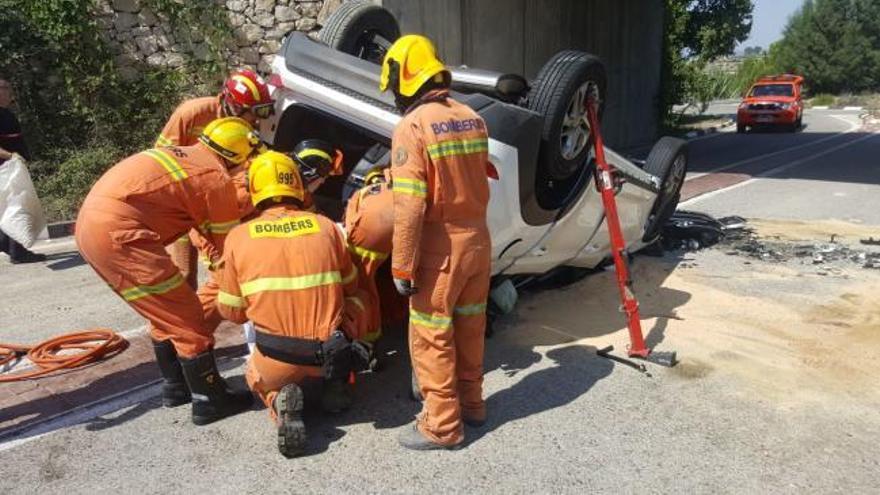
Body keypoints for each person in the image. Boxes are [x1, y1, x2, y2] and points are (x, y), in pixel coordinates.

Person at [76, 117, 259, 425]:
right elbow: (228, 250)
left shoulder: (188, 155)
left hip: (92, 228)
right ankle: (210, 400)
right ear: (237, 157)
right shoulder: (215, 179)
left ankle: (176, 386)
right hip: (120, 235)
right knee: (187, 315)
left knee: (166, 310)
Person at [379, 35, 492, 450]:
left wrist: (402, 266)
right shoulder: (472, 116)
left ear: (403, 78)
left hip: (441, 247)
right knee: (470, 324)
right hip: (478, 241)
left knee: (431, 333)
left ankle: (442, 426)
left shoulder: (412, 127)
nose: (393, 95)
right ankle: (473, 404)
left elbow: (410, 206)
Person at [216, 150, 368, 457]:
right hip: (330, 352)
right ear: (296, 185)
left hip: (276, 358)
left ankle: (277, 401)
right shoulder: (325, 227)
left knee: (255, 374)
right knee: (357, 300)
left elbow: (232, 312)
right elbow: (352, 284)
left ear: (255, 189)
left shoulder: (238, 237)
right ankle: (336, 384)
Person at [158, 70, 274, 290]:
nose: (257, 120)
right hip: (184, 202)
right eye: (254, 113)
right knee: (184, 274)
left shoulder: (248, 128)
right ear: (234, 106)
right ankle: (181, 321)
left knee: (228, 265)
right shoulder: (192, 114)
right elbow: (162, 159)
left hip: (221, 201)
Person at [343, 167, 394, 343]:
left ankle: (368, 337)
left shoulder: (362, 193)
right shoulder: (395, 186)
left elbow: (349, 224)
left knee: (364, 289)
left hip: (363, 244)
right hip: (390, 240)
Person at [0, 78, 45, 264]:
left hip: (10, 168)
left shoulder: (6, 114)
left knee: (9, 209)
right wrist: (10, 156)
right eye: (6, 88)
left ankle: (11, 247)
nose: (10, 91)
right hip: (5, 169)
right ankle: (17, 252)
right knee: (14, 207)